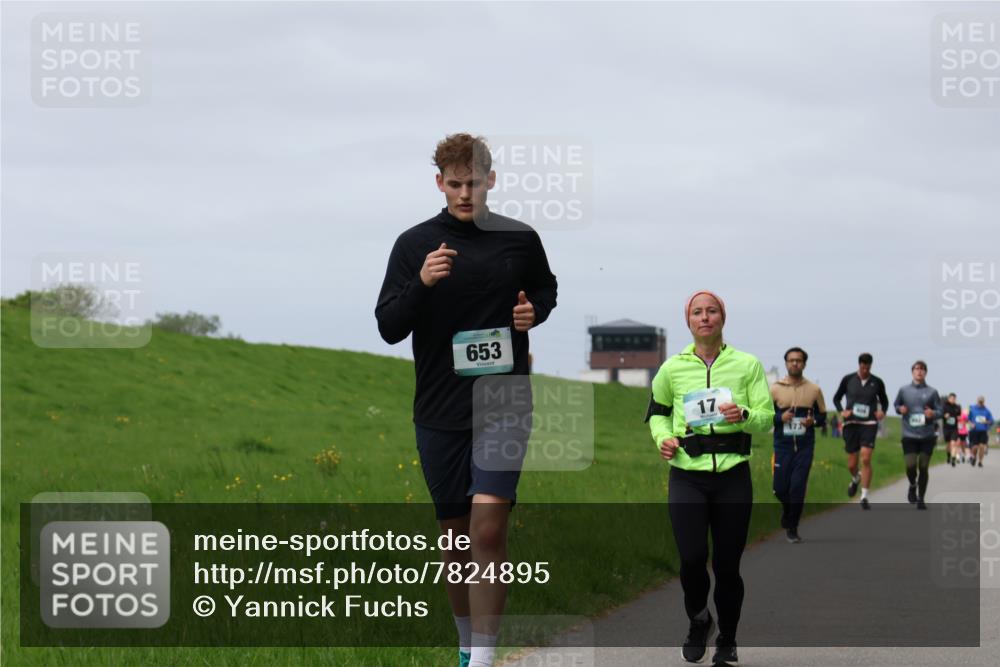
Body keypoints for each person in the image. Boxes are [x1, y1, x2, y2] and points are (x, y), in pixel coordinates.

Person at [375, 133, 558, 667]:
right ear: (439, 183)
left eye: (473, 183)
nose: (464, 193)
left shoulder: (519, 239)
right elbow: (388, 326)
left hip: (504, 401)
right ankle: (464, 643)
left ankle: (483, 658)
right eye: (454, 184)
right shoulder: (414, 246)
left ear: (490, 181)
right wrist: (422, 284)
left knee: (488, 527)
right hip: (438, 409)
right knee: (455, 542)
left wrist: (533, 313)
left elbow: (545, 289)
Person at [646, 291, 774, 666]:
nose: (705, 317)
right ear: (688, 320)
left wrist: (745, 414)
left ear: (723, 317)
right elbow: (657, 413)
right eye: (697, 312)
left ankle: (728, 639)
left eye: (712, 311)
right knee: (691, 558)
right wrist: (663, 438)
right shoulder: (671, 368)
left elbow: (766, 418)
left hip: (733, 475)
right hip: (687, 475)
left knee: (727, 565)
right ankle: (699, 619)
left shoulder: (747, 365)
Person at [770, 346, 827, 542]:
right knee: (779, 489)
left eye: (799, 360)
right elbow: (766, 415)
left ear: (804, 363)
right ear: (786, 363)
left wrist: (814, 421)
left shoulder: (814, 389)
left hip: (805, 446)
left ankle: (792, 528)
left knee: (797, 488)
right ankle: (788, 512)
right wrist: (780, 417)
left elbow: (823, 416)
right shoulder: (775, 388)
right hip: (782, 446)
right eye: (791, 360)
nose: (795, 363)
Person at [832, 353, 889, 510]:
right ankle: (856, 478)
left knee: (865, 458)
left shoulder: (877, 382)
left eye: (868, 367)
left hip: (869, 424)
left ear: (871, 366)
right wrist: (842, 411)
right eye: (863, 367)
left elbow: (884, 401)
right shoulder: (848, 379)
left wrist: (882, 411)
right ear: (859, 365)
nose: (865, 370)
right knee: (851, 464)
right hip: (851, 424)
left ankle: (864, 496)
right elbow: (836, 398)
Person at [892, 361, 942, 510]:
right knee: (911, 465)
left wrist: (933, 413)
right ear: (912, 372)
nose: (919, 372)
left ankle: (921, 498)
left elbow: (940, 411)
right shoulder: (903, 390)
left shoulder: (932, 392)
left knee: (924, 466)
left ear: (925, 373)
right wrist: (900, 409)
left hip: (927, 435)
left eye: (922, 369)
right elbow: (896, 405)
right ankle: (912, 484)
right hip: (909, 434)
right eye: (916, 369)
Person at [968, 396, 995, 468]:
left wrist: (986, 421)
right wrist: (971, 424)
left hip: (983, 431)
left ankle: (980, 461)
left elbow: (992, 421)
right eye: (979, 402)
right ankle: (974, 457)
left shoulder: (987, 411)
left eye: (981, 402)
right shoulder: (972, 409)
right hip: (974, 431)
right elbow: (968, 419)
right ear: (977, 401)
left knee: (982, 446)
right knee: (975, 447)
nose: (980, 403)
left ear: (983, 402)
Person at [942, 393, 962, 467]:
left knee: (953, 443)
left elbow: (959, 415)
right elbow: (941, 414)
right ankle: (948, 456)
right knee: (948, 444)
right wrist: (944, 416)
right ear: (948, 398)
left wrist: (959, 417)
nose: (953, 400)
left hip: (954, 429)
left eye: (954, 399)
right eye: (952, 398)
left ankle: (953, 459)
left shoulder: (957, 407)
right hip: (946, 428)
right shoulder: (944, 406)